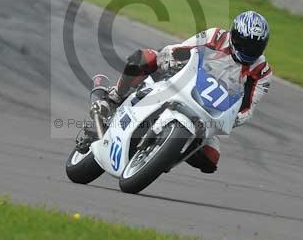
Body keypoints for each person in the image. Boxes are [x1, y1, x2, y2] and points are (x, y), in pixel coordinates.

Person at [94, 11, 272, 174]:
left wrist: (235, 118)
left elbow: (248, 107)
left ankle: (163, 156)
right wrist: (170, 57)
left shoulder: (262, 72)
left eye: (254, 48)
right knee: (146, 57)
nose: (248, 51)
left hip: (209, 112)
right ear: (234, 35)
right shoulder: (215, 36)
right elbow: (183, 49)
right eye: (244, 44)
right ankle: (113, 98)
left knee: (210, 160)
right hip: (182, 82)